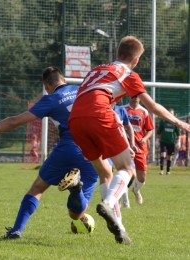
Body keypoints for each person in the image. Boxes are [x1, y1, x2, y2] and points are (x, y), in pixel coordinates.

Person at [0, 66, 112, 240]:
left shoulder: (51, 98)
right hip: (94, 149)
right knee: (76, 214)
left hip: (68, 148)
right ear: (63, 79)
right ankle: (77, 189)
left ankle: (16, 230)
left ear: (46, 86)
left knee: (37, 188)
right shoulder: (84, 90)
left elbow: (13, 121)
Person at [68, 35, 190, 244]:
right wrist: (179, 123)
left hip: (75, 120)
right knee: (127, 169)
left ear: (118, 53)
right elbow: (152, 107)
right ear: (136, 60)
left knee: (106, 173)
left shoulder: (97, 70)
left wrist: (119, 134)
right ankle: (107, 203)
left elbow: (95, 97)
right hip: (98, 114)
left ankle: (121, 230)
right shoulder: (129, 73)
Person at [123, 96, 154, 205]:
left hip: (140, 148)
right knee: (126, 172)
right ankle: (125, 201)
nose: (135, 97)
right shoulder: (123, 109)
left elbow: (150, 129)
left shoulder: (144, 112)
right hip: (125, 146)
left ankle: (135, 190)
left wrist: (144, 138)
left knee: (142, 177)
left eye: (138, 96)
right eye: (133, 95)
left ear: (140, 98)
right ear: (129, 96)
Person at [156, 108, 180, 175]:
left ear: (173, 114)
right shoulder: (163, 121)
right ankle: (161, 170)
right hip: (163, 141)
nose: (170, 115)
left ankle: (168, 170)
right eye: (169, 113)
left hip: (171, 142)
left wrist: (178, 141)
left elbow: (178, 133)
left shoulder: (175, 122)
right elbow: (159, 132)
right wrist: (157, 139)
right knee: (163, 154)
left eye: (172, 113)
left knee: (169, 156)